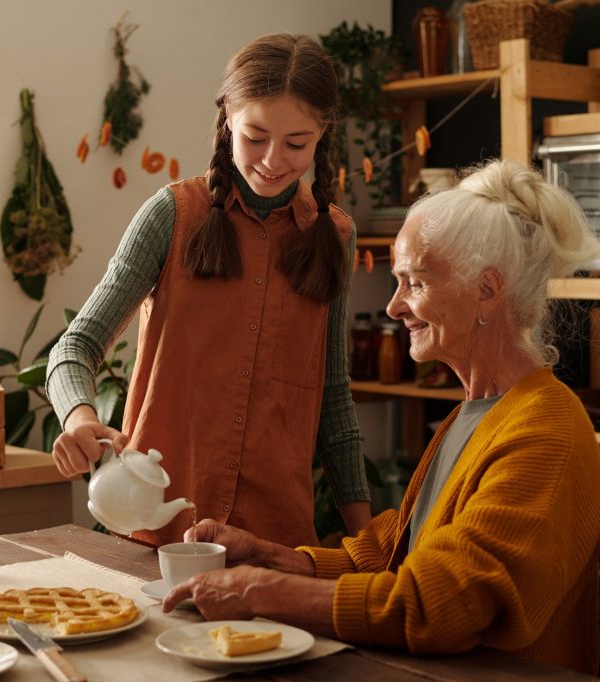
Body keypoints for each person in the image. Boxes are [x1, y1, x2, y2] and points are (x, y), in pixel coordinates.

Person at [163, 159, 600, 676]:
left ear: (487, 290)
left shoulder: (544, 432)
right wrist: (274, 559)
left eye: (414, 283)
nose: (395, 307)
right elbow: (393, 550)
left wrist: (268, 592)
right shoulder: (481, 411)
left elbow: (443, 606)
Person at [46, 33, 371, 548]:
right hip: (154, 530)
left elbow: (333, 399)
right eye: (255, 136)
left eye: (296, 144)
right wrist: (80, 417)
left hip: (273, 543)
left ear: (323, 133)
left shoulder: (336, 236)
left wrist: (370, 544)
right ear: (228, 118)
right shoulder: (172, 215)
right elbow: (76, 346)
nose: (271, 160)